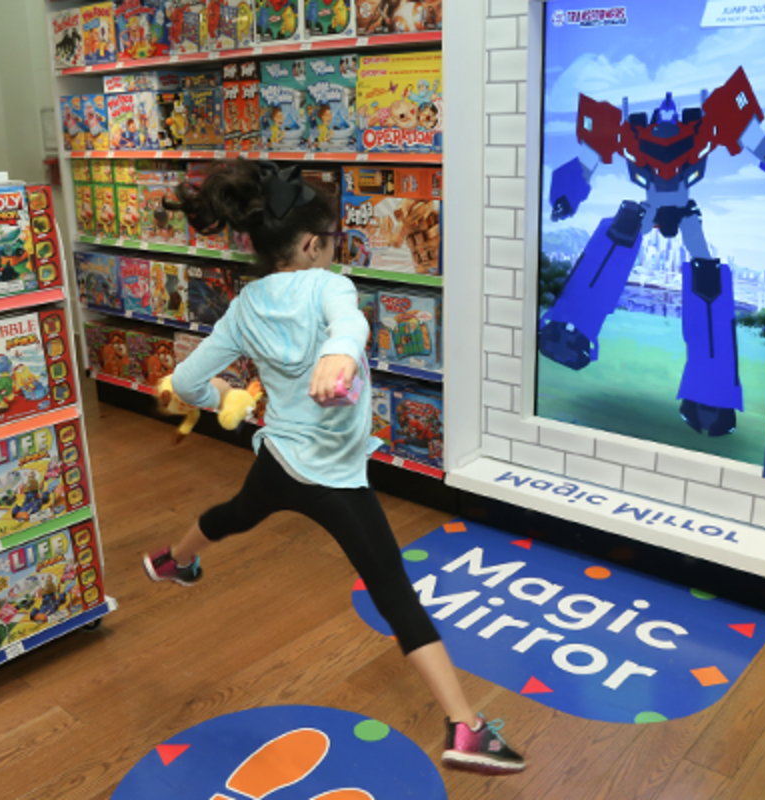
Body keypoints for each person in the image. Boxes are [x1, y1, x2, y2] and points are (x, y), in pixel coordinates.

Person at [141, 161, 527, 775]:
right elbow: (350, 324)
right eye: (332, 240)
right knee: (396, 594)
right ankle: (467, 729)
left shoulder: (244, 305)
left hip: (278, 459)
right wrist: (338, 355)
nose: (334, 249)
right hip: (332, 480)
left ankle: (173, 561)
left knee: (235, 514)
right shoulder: (329, 287)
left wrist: (227, 399)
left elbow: (186, 381)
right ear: (311, 245)